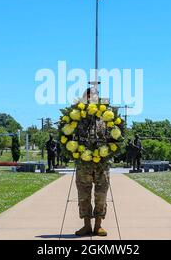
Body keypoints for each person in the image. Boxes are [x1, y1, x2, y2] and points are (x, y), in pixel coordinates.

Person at [75, 87, 109, 237]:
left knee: (101, 196)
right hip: (83, 164)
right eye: (88, 97)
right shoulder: (77, 117)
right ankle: (87, 225)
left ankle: (98, 226)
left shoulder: (105, 117)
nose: (91, 99)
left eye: (94, 97)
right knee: (84, 196)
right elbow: (69, 136)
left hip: (101, 164)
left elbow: (114, 137)